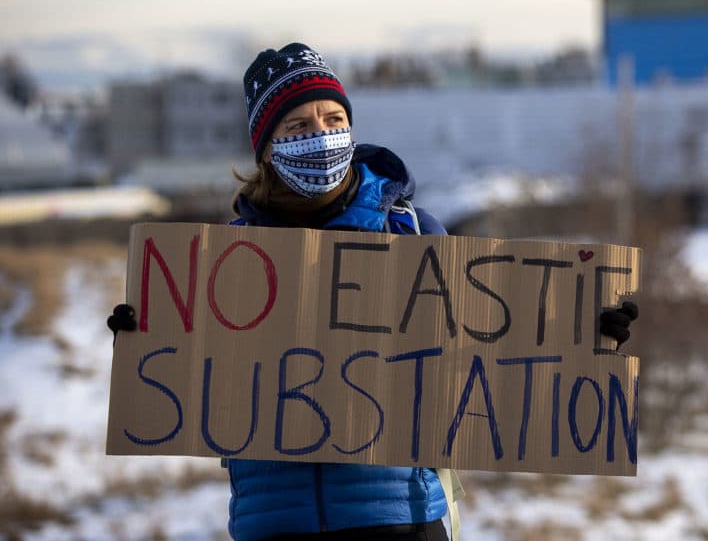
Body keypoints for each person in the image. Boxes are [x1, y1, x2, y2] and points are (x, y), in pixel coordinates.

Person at [108, 42, 639, 541]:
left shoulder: (410, 234)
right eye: (298, 124)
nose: (320, 133)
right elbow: (191, 379)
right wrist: (143, 336)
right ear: (267, 148)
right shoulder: (223, 261)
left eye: (333, 119)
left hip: (400, 518)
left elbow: (486, 353)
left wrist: (585, 334)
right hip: (276, 525)